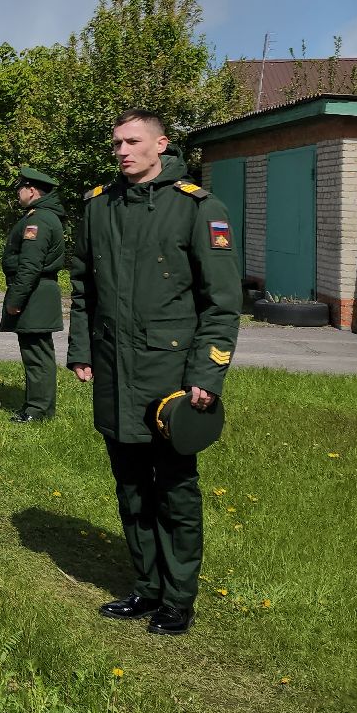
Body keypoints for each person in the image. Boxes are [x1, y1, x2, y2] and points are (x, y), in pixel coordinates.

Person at [67, 109, 241, 637]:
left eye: (132, 141)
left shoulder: (197, 207)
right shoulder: (99, 208)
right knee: (131, 485)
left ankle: (179, 598)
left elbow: (222, 305)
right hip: (114, 373)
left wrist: (206, 377)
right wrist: (82, 351)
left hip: (169, 377)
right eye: (116, 142)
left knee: (175, 489)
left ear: (161, 144)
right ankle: (145, 586)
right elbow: (83, 290)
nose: (122, 151)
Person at [1, 167, 66, 422]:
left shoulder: (38, 219)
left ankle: (36, 412)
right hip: (38, 292)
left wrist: (15, 301)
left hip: (35, 294)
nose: (18, 193)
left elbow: (30, 266)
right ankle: (39, 407)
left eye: (20, 188)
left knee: (37, 356)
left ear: (32, 190)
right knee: (38, 353)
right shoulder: (44, 216)